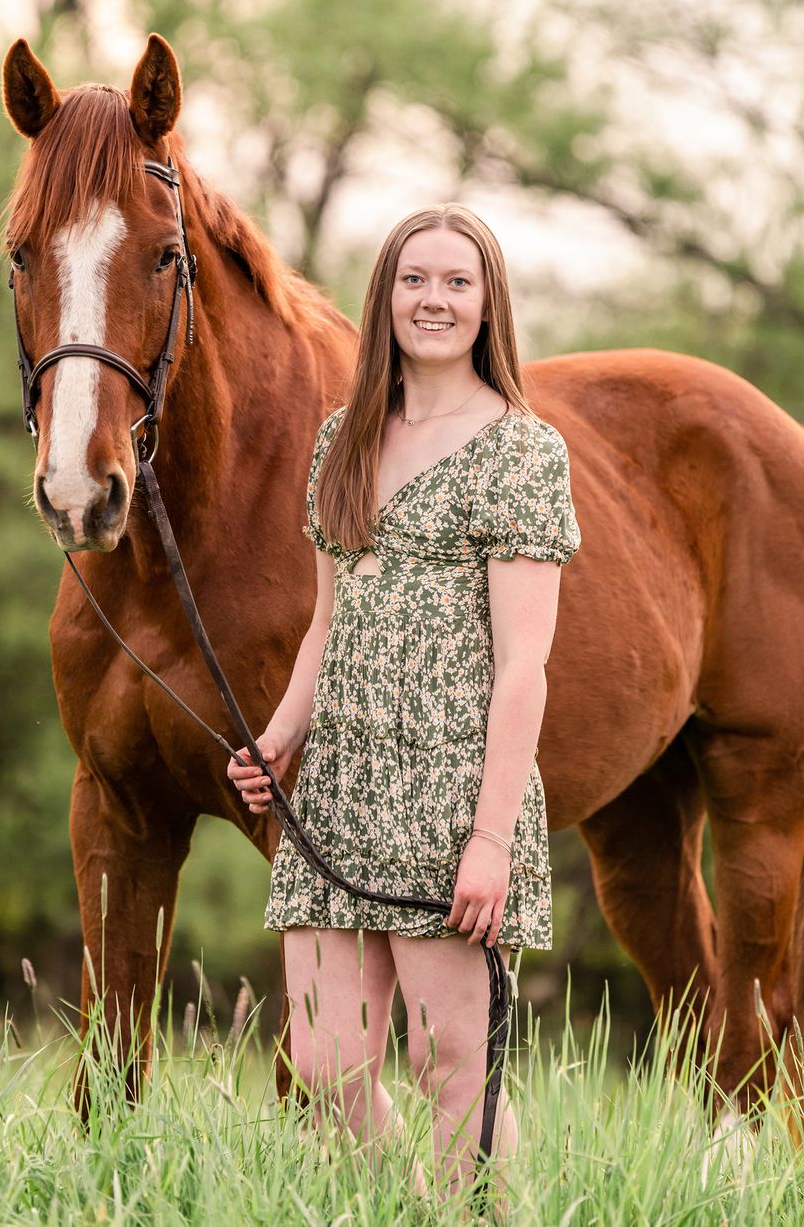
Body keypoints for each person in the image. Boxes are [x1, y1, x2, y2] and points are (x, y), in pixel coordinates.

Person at [227, 202, 580, 1201]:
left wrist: (491, 839)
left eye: (456, 282)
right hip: (337, 782)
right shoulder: (344, 438)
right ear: (385, 296)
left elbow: (525, 666)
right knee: (329, 1063)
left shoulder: (520, 450)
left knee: (450, 1068)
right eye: (413, 279)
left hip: (448, 784)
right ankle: (403, 1211)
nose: (433, 298)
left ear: (486, 304)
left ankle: (473, 1218)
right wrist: (278, 736)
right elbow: (327, 621)